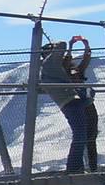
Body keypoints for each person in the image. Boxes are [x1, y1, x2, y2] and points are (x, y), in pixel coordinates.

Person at [37, 39, 88, 175]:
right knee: (80, 134)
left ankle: (77, 167)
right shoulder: (50, 63)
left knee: (81, 134)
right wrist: (58, 45)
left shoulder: (48, 69)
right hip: (70, 102)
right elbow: (62, 45)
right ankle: (74, 167)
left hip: (68, 102)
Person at [65, 35, 99, 171]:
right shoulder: (65, 77)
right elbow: (67, 61)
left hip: (89, 107)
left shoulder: (78, 72)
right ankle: (81, 167)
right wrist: (70, 47)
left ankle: (92, 167)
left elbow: (86, 59)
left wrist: (86, 46)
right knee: (82, 137)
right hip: (80, 107)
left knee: (91, 137)